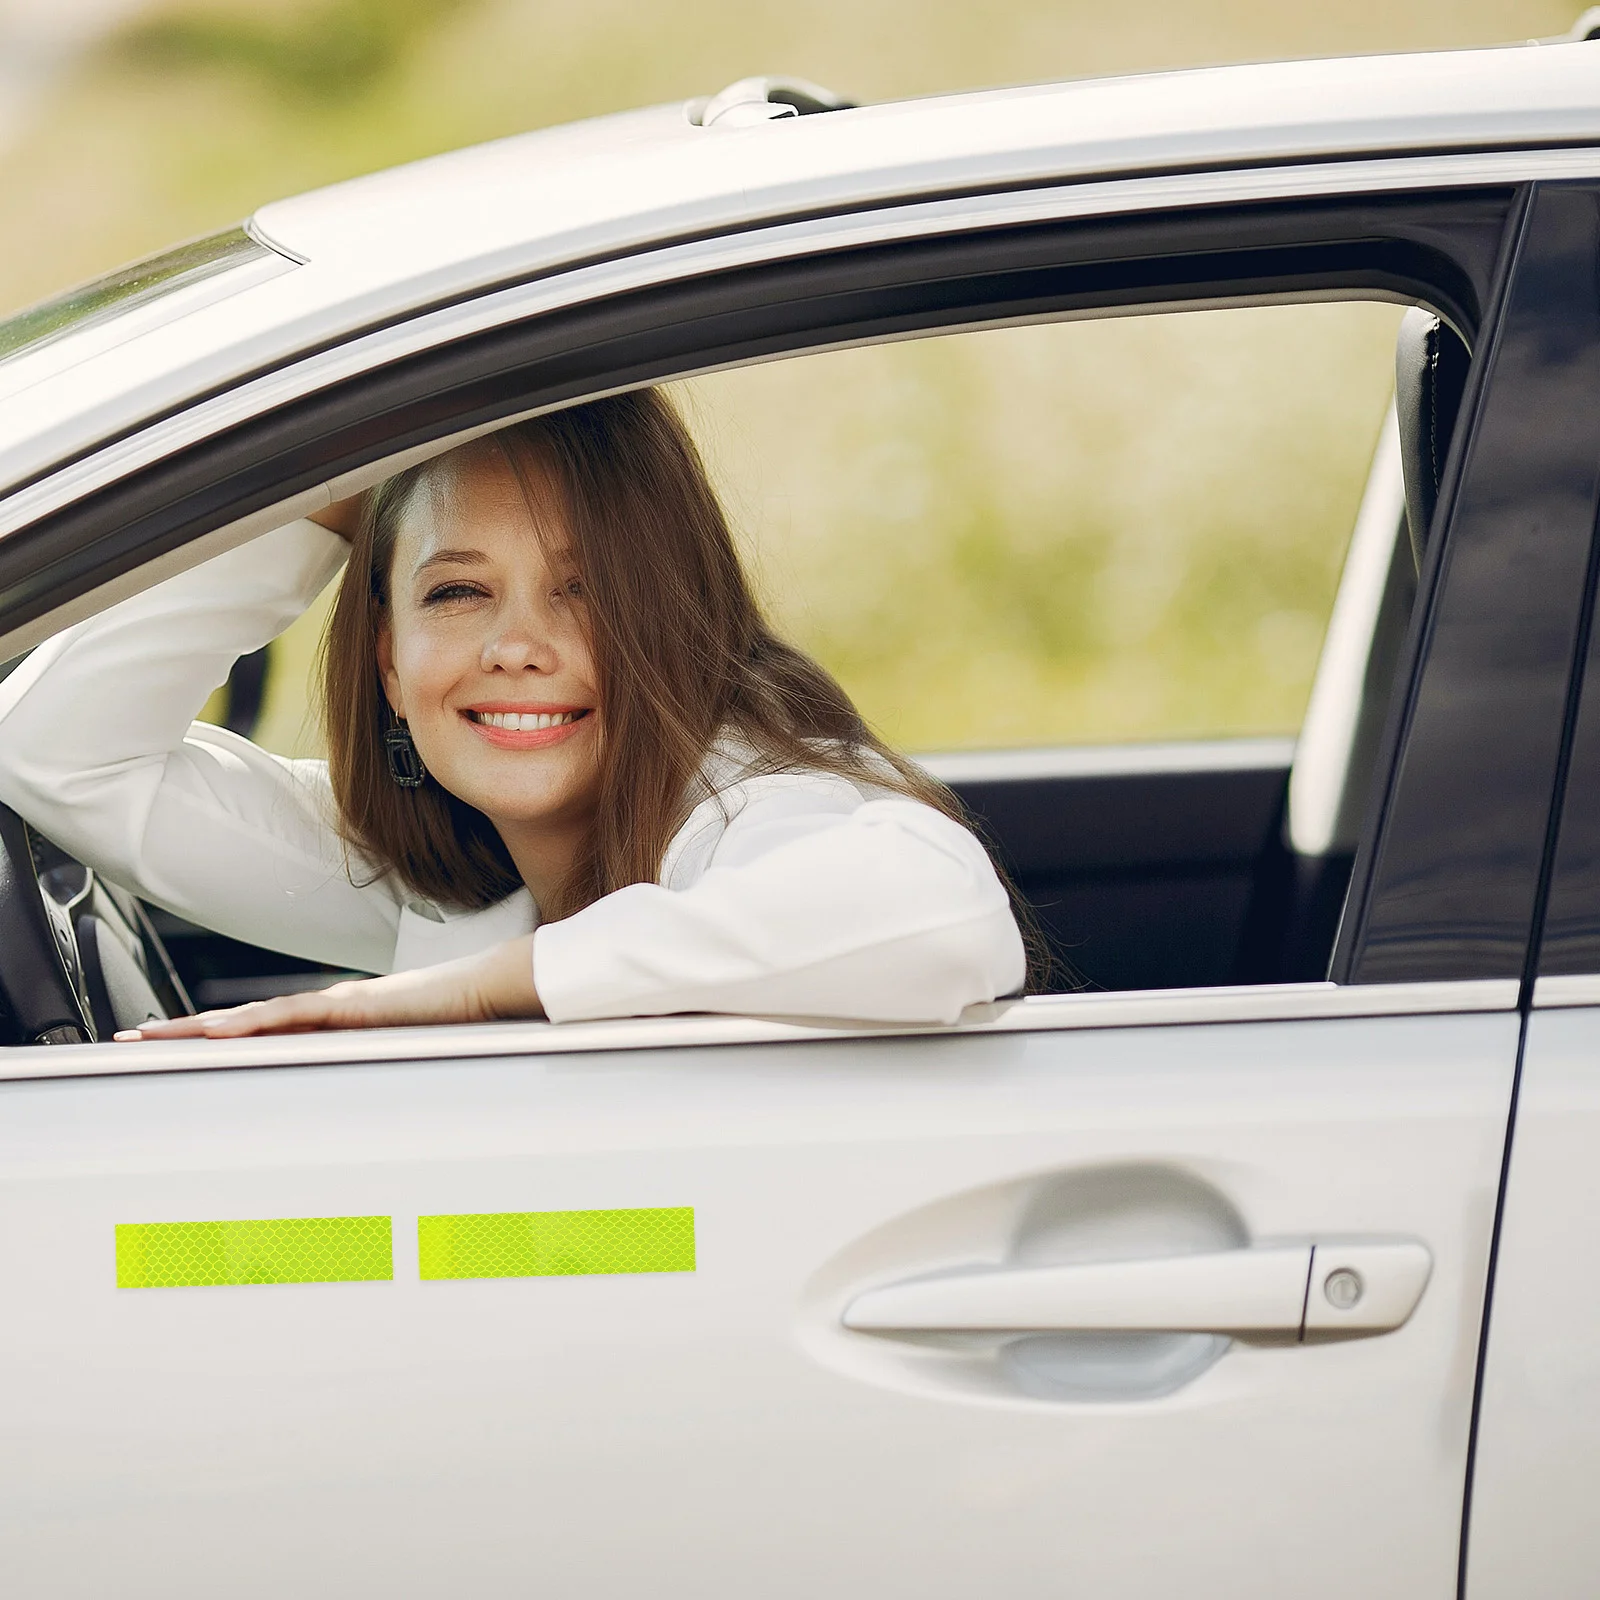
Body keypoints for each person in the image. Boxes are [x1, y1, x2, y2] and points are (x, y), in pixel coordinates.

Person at [0, 389, 1026, 1039]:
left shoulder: (754, 798)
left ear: (670, 622)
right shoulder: (443, 878)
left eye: (584, 590)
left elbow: (936, 916)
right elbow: (56, 754)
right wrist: (324, 500)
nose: (517, 645)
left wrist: (469, 992)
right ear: (389, 667)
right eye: (455, 592)